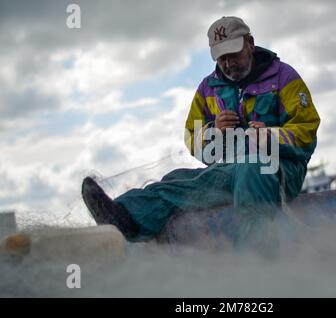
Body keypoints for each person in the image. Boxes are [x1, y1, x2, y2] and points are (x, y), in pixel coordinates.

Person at [82, 16, 320, 246]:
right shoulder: (208, 88)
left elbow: (306, 130)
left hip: (278, 168)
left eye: (233, 54)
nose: (228, 63)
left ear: (250, 43)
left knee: (252, 169)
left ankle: (257, 261)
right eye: (221, 57)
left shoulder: (284, 76)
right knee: (177, 181)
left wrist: (270, 137)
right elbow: (193, 138)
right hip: (229, 171)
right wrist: (214, 132)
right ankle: (123, 219)